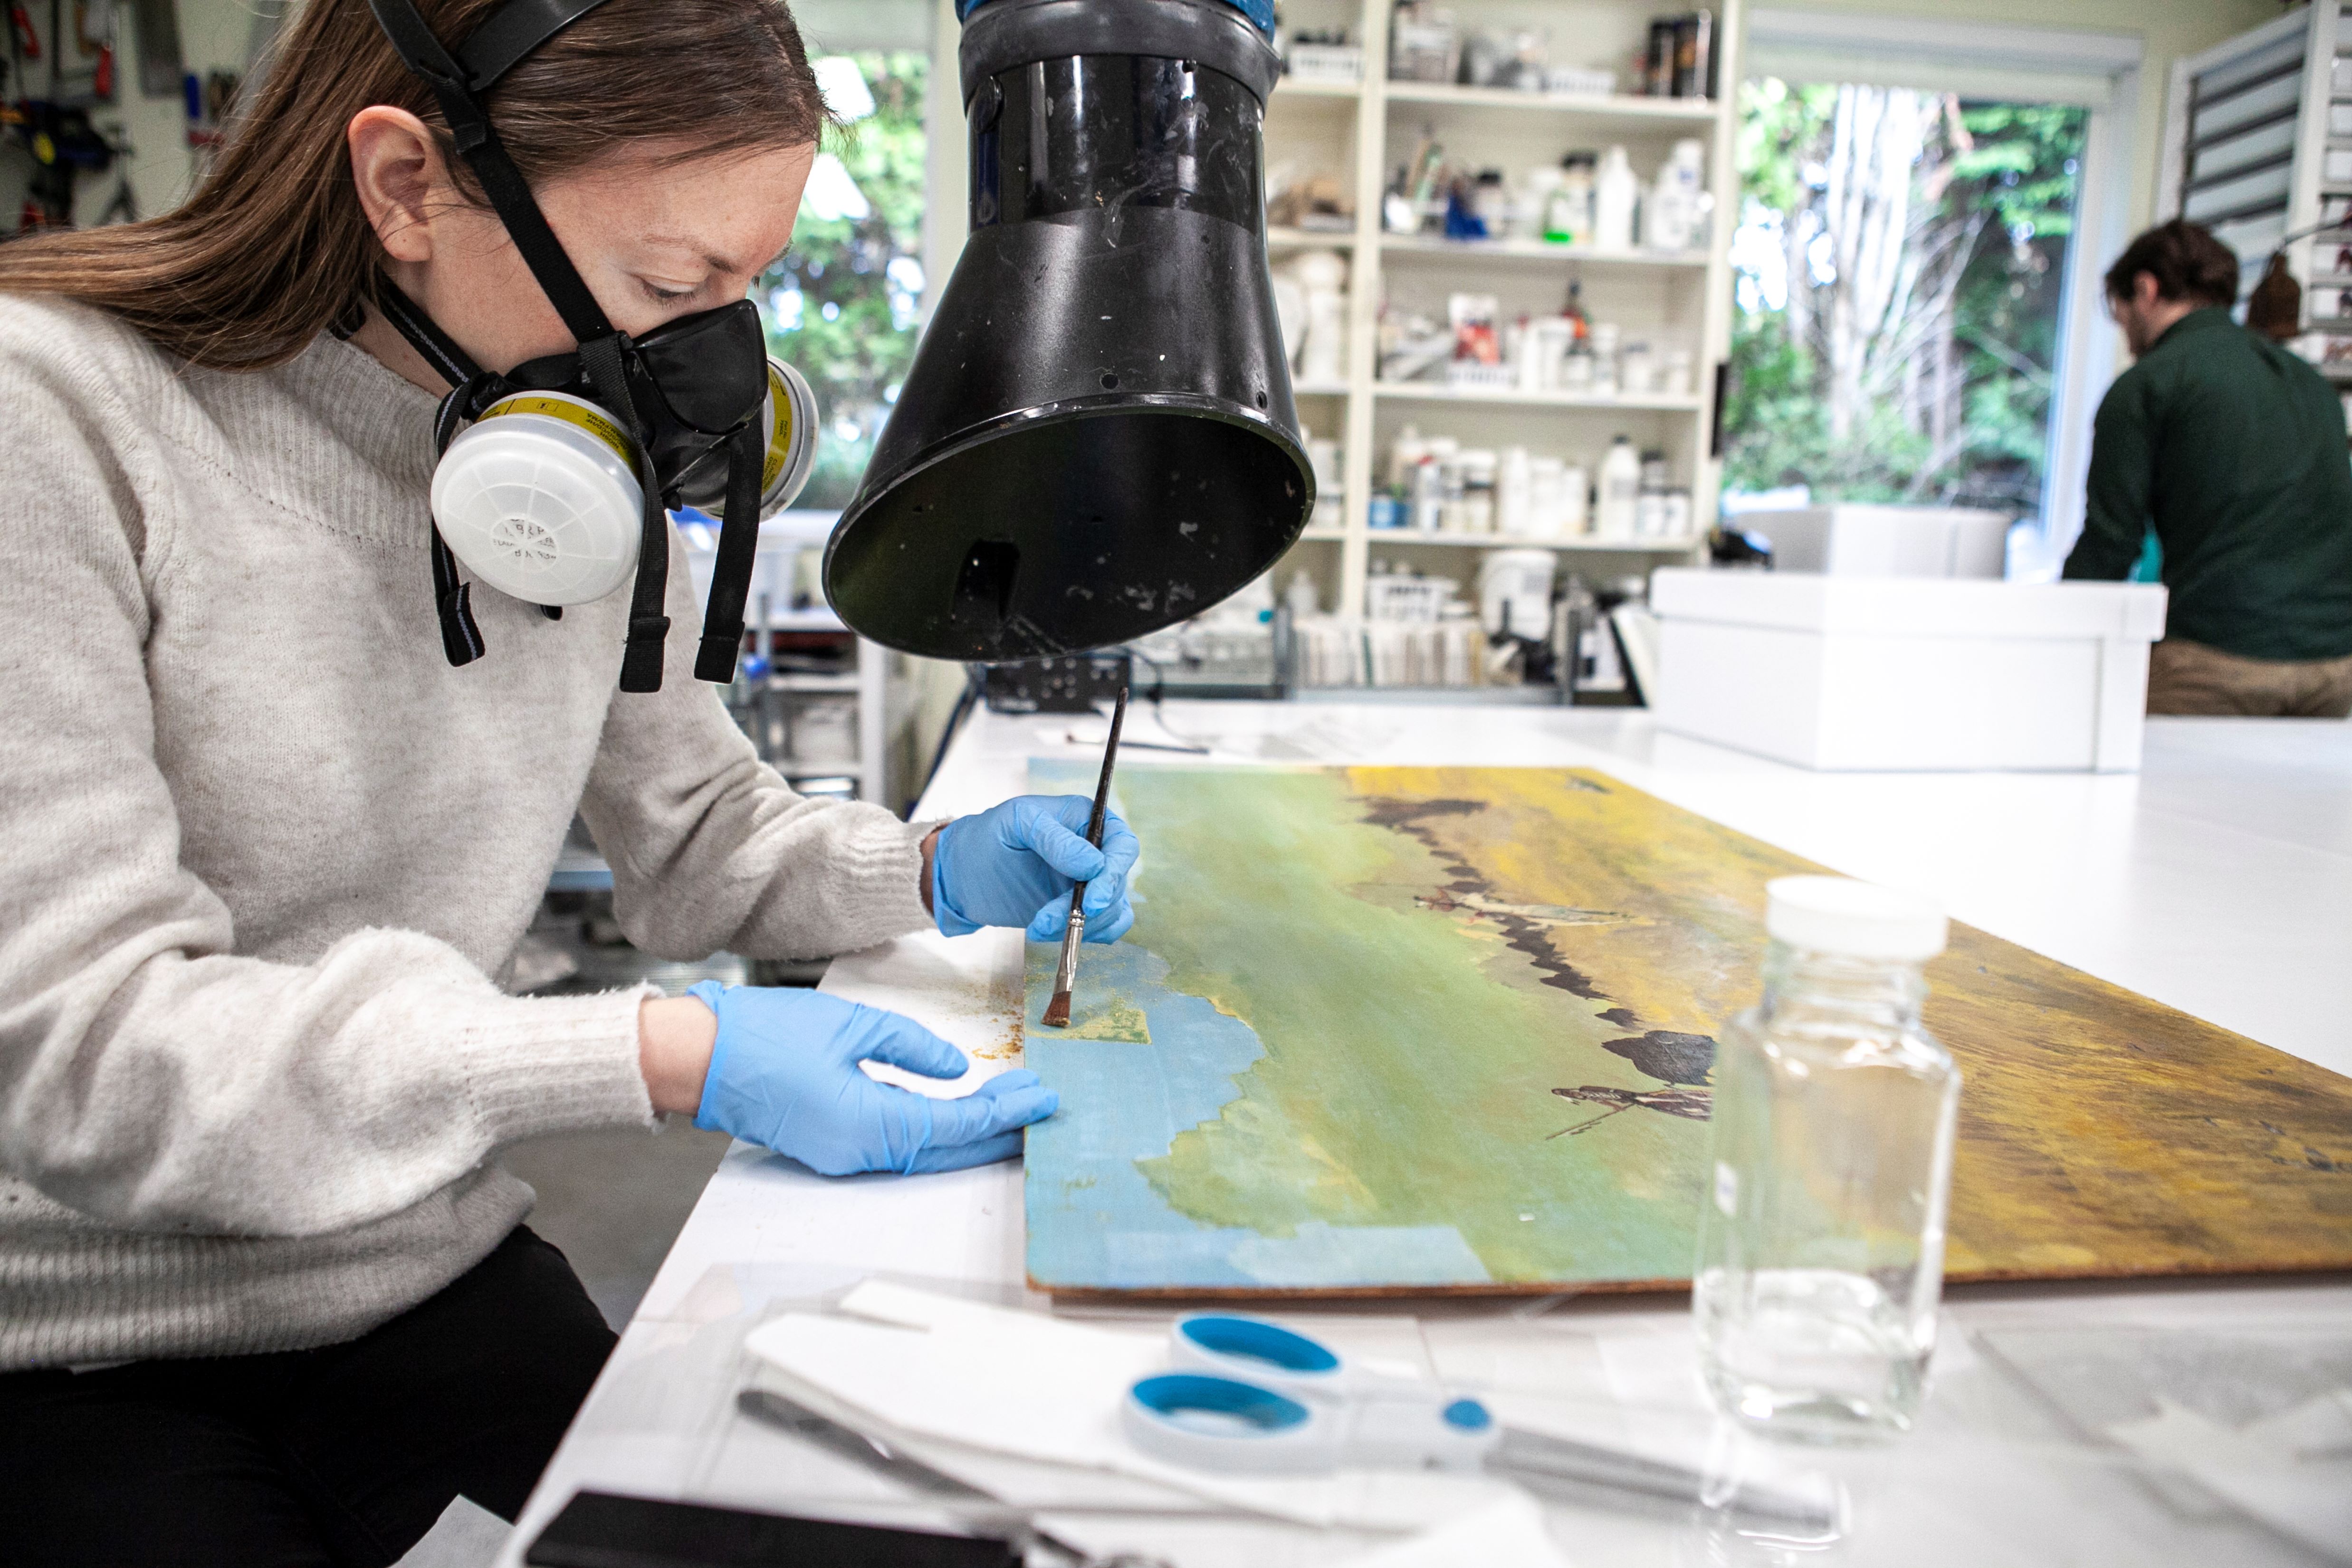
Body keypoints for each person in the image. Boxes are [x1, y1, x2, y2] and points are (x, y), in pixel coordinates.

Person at [0, 2, 1139, 1563]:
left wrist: (935, 867)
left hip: (413, 1263)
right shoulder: (52, 419)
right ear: (405, 186)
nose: (709, 360)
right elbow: (86, 1054)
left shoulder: (559, 470)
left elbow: (698, 839)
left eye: (747, 290)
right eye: (672, 284)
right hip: (76, 1338)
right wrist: (660, 1056)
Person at [2063, 219, 2352, 717]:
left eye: (2121, 311)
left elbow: (2110, 546)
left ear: (2145, 289)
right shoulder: (2309, 383)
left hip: (2214, 665)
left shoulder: (2148, 385)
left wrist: (2051, 636)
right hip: (2334, 669)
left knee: (2090, 743)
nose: (2127, 332)